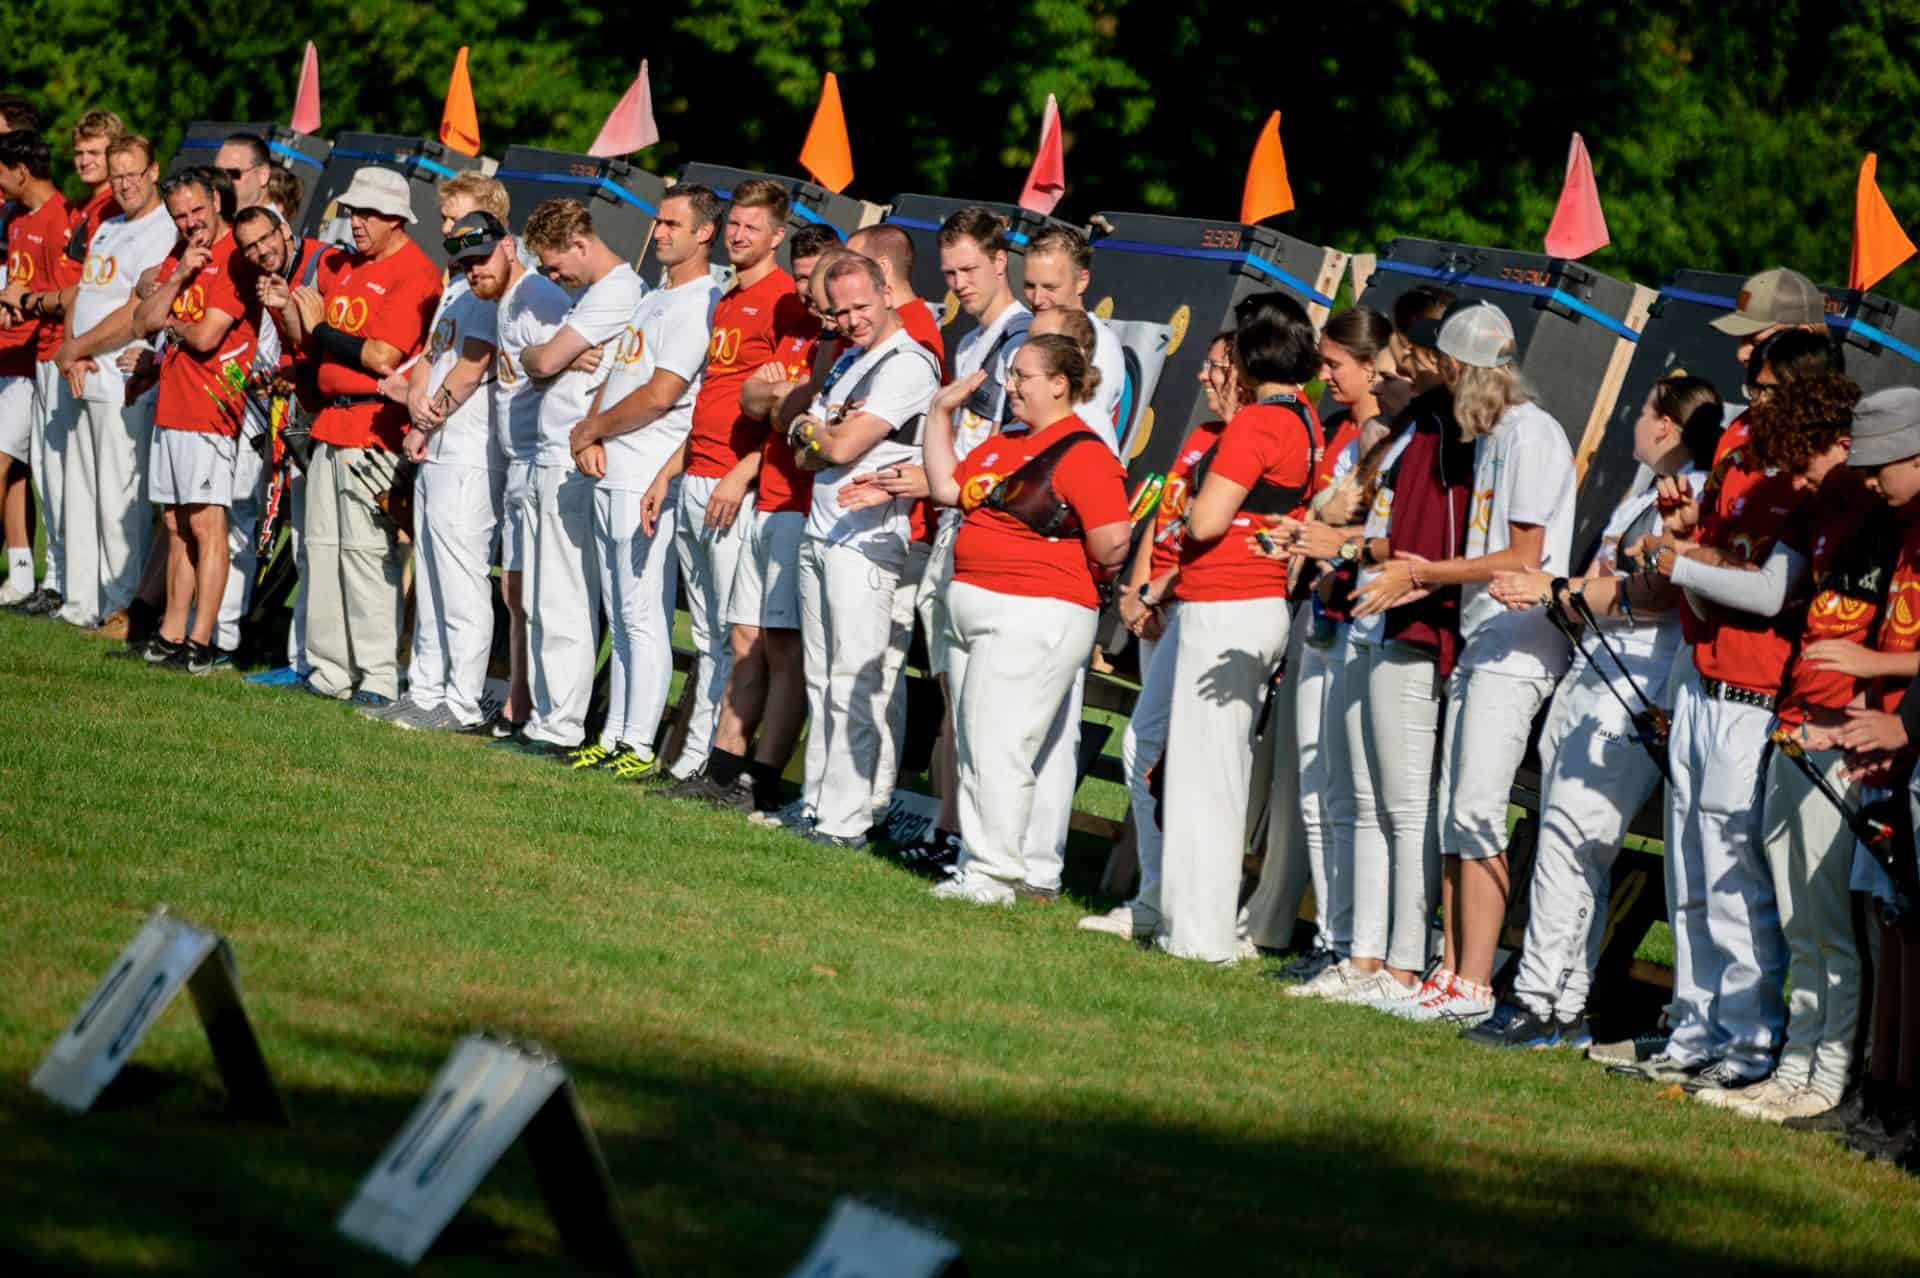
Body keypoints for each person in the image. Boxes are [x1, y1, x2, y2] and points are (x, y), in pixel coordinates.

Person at [1614, 373, 1856, 1092]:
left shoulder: (1805, 493)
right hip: (1705, 678)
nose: (1753, 389)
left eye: (1770, 379)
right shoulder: (1741, 471)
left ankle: (1749, 1043)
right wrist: (1685, 548)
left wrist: (1677, 556)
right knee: (1689, 871)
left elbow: (1766, 590)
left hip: (1753, 696)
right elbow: (1707, 586)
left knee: (1733, 877)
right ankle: (1696, 1029)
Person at [1470, 375, 1722, 1047]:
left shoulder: (1687, 495)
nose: (1635, 423)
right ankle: (1564, 1000)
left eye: (1643, 412)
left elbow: (1658, 592)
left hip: (1633, 679)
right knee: (1572, 844)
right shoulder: (1646, 493)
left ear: (1667, 426)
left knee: (1570, 841)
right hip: (1597, 667)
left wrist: (1554, 587)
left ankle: (1537, 1001)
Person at [1353, 301, 1576, 1021]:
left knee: (1478, 810)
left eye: (1450, 374)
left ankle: (1475, 982)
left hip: (1520, 643)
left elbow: (1523, 557)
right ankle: (1450, 974)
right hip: (1486, 637)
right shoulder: (1497, 436)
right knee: (1456, 811)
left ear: (1463, 370)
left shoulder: (1533, 437)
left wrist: (1425, 574)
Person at [921, 333, 1130, 904]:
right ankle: (977, 862)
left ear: (1060, 385)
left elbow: (1112, 545)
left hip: (1036, 612)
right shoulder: (1004, 442)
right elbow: (945, 488)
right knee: (973, 741)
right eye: (1011, 374)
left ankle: (995, 874)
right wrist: (939, 413)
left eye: (1023, 376)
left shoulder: (1084, 451)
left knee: (1001, 745)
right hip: (975, 607)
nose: (1010, 386)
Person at [1152, 295, 1323, 962]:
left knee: (1205, 773)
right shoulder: (1305, 418)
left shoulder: (1257, 423)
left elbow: (1203, 522)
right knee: (1220, 769)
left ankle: (1200, 934)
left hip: (1224, 602)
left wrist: (1198, 497)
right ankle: (1194, 924)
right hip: (1257, 605)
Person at [1257, 304, 1410, 977]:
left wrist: (1329, 530)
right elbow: (1326, 513)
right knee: (1319, 789)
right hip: (1323, 618)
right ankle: (1332, 936)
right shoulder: (1345, 437)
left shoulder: (1394, 438)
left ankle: (1361, 946)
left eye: (1334, 364)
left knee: (1357, 795)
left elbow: (1365, 526)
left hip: (1362, 623)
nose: (1324, 376)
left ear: (1373, 364)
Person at [883, 207, 1031, 878]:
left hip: (981, 526)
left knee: (973, 700)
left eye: (970, 269)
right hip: (950, 523)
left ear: (1003, 262)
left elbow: (1007, 446)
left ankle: (970, 839)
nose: (959, 283)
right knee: (949, 690)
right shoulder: (968, 340)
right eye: (948, 272)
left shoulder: (1019, 339)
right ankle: (949, 827)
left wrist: (939, 477)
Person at [779, 253, 942, 846]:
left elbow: (840, 444)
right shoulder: (849, 358)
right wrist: (813, 432)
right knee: (820, 675)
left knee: (856, 679)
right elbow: (804, 448)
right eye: (839, 310)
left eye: (860, 307)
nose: (850, 320)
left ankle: (848, 819)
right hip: (822, 530)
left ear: (888, 294)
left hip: (869, 540)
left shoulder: (909, 364)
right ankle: (816, 803)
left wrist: (814, 431)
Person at [1079, 331, 1236, 940]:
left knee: (1159, 753)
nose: (1203, 377)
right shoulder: (1202, 436)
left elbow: (1221, 536)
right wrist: (1138, 588)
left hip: (1193, 608)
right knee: (1150, 752)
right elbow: (1164, 518)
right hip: (1157, 610)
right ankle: (1154, 894)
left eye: (1216, 366)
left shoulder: (1249, 441)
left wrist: (1161, 589)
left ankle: (1172, 902)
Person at [661, 179, 814, 791]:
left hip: (738, 485)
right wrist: (671, 468)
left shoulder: (785, 299)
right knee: (706, 631)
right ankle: (692, 759)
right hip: (697, 471)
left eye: (753, 228)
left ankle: (704, 762)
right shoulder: (725, 298)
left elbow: (778, 406)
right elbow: (721, 394)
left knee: (730, 635)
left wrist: (739, 474)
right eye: (734, 225)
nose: (739, 235)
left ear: (778, 237)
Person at [570, 185, 721, 776]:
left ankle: (638, 743)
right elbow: (618, 373)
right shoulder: (657, 295)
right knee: (620, 607)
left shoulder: (700, 301)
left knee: (643, 610)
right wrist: (593, 434)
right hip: (614, 464)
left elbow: (662, 395)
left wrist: (592, 430)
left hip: (647, 472)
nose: (657, 232)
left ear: (704, 232)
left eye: (672, 224)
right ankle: (613, 734)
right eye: (657, 222)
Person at [284, 166, 442, 704]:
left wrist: (320, 327)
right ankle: (329, 670)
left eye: (368, 213)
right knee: (322, 549)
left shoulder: (414, 272)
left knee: (366, 553)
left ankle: (376, 675)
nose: (356, 222)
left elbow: (382, 355)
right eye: (353, 211)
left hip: (375, 426)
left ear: (397, 218)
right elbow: (310, 340)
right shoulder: (346, 267)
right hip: (331, 420)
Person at [505, 197, 646, 756]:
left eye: (553, 262)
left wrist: (551, 356)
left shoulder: (617, 292)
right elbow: (533, 367)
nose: (549, 274)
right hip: (548, 453)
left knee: (564, 598)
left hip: (573, 460)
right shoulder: (586, 295)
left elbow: (538, 363)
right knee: (541, 597)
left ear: (581, 244)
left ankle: (562, 724)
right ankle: (546, 716)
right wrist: (553, 357)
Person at [125, 167, 257, 673]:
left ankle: (203, 639)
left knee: (207, 523)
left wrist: (175, 324)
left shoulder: (234, 260)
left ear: (217, 204)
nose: (190, 223)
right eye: (180, 216)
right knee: (177, 524)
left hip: (212, 406)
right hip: (174, 402)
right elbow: (141, 320)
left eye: (197, 211)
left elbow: (205, 337)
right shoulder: (181, 258)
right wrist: (178, 275)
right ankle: (171, 631)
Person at [381, 209, 509, 731]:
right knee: (431, 577)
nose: (471, 266)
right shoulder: (458, 287)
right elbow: (434, 354)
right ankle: (426, 689)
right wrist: (417, 409)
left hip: (472, 453)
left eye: (479, 256)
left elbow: (474, 362)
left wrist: (430, 413)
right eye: (463, 257)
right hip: (438, 446)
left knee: (462, 581)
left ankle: (461, 699)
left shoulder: (492, 295)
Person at [49, 134, 174, 630]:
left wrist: (77, 348)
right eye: (116, 174)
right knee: (78, 493)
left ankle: (121, 605)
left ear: (153, 172)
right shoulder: (107, 224)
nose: (123, 184)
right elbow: (83, 293)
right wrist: (69, 352)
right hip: (80, 375)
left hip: (123, 382)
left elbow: (137, 312)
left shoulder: (162, 230)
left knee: (120, 499)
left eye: (132, 174)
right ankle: (79, 601)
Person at [237, 200, 331, 684]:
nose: (260, 252)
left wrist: (296, 368)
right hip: (299, 418)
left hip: (331, 420)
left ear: (285, 231)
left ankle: (317, 662)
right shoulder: (273, 278)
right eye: (249, 248)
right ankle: (301, 659)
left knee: (323, 544)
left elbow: (321, 343)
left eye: (265, 240)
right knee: (305, 544)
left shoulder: (322, 262)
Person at [0, 130, 73, 616]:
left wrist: (24, 304)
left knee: (18, 468)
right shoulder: (18, 220)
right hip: (18, 358)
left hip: (42, 362)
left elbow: (70, 295)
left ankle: (54, 581)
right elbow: (22, 282)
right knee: (25, 473)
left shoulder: (59, 218)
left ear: (20, 170)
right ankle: (24, 574)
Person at [1021, 224, 1124, 449]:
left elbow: (1078, 436)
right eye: (1029, 286)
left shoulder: (1098, 346)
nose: (1037, 298)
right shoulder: (1027, 332)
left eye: (1050, 287)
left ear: (1082, 281)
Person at [214, 133, 275, 212]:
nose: (221, 181)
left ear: (262, 175)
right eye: (217, 172)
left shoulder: (272, 224)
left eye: (233, 173)